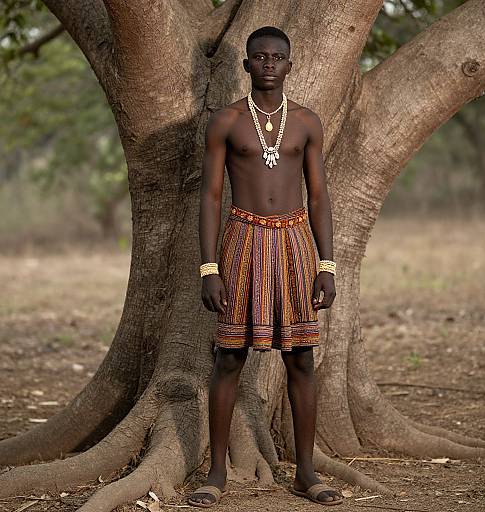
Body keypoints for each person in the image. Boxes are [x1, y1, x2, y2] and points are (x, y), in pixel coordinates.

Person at [192, 26, 340, 508]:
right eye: (260, 57)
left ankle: (307, 472)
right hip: (242, 240)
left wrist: (327, 263)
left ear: (290, 65)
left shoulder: (306, 122)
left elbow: (318, 197)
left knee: (300, 358)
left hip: (296, 241)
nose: (269, 64)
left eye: (278, 57)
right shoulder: (227, 121)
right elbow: (211, 196)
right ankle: (216, 473)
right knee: (230, 357)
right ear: (247, 65)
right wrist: (209, 266)